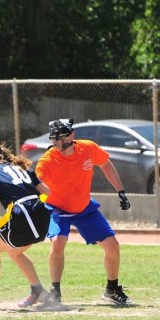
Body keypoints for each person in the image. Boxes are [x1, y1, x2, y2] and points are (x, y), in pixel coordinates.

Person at [35, 118, 133, 305]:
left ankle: (111, 290)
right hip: (58, 208)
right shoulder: (47, 160)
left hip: (84, 207)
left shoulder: (87, 148)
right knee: (57, 242)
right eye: (54, 141)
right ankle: (55, 292)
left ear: (72, 135)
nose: (59, 145)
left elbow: (105, 165)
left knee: (112, 246)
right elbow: (37, 183)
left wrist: (121, 191)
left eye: (62, 139)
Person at [0, 140, 53, 309]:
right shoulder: (22, 168)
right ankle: (38, 291)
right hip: (41, 217)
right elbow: (47, 192)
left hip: (23, 217)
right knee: (15, 252)